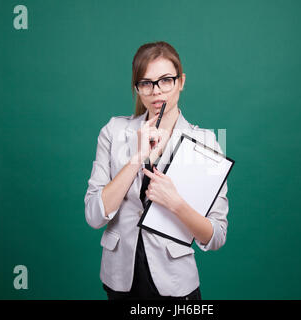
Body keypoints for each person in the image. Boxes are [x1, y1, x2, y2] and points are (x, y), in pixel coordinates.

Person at [84, 41, 229, 300]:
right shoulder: (113, 132)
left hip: (175, 282)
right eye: (146, 83)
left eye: (165, 80)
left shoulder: (206, 144)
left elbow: (216, 236)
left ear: (181, 81)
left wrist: (175, 203)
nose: (156, 91)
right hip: (119, 280)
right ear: (137, 88)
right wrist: (136, 158)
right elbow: (95, 216)